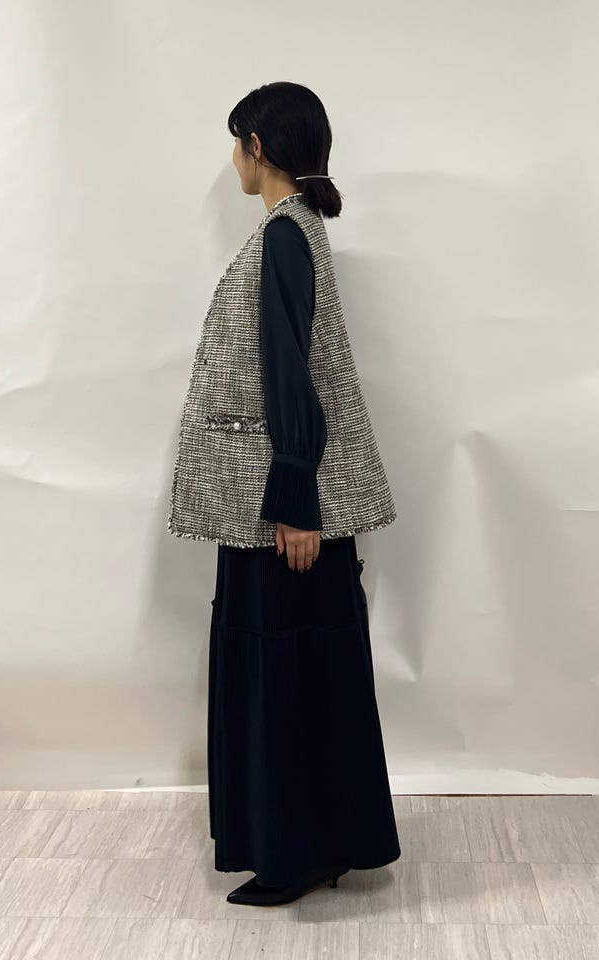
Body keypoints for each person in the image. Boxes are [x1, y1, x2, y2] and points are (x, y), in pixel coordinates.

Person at [169, 82, 400, 906]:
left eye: (236, 142)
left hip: (278, 509)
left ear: (258, 147)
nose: (233, 158)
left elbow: (288, 371)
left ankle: (297, 855)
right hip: (273, 501)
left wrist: (296, 500)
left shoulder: (284, 236)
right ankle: (316, 845)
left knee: (284, 672)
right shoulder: (297, 231)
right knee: (306, 669)